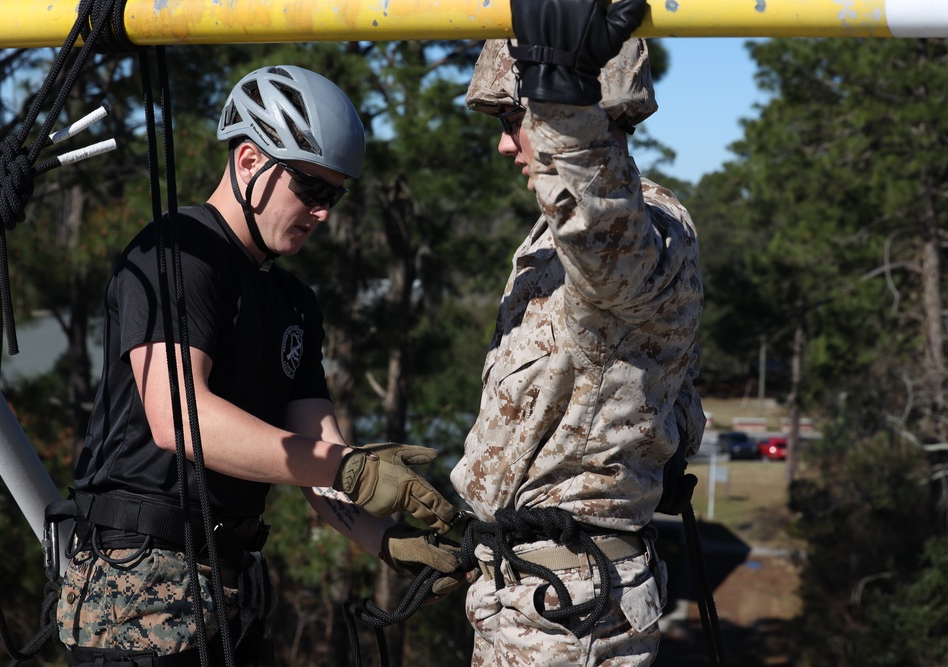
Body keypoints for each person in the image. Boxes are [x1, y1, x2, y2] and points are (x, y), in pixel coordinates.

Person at [55, 65, 459, 666]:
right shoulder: (180, 252)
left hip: (229, 587)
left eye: (336, 195)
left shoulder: (294, 301)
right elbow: (177, 417)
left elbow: (317, 457)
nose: (324, 213)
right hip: (136, 595)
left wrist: (392, 544)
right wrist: (351, 470)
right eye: (312, 190)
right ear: (249, 161)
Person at [450, 0, 705, 664]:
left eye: (515, 116)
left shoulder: (644, 228)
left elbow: (602, 229)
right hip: (532, 595)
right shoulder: (556, 239)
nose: (506, 142)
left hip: (571, 608)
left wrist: (560, 102)